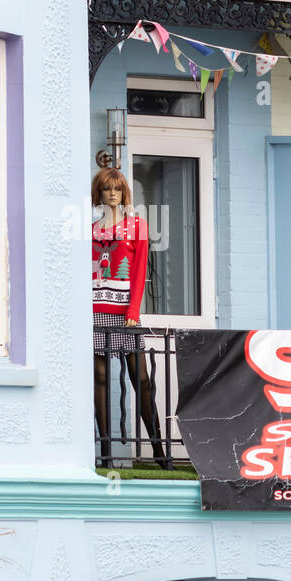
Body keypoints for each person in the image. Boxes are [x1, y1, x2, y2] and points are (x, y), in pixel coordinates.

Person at [91, 167, 165, 465]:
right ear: (100, 192)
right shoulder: (91, 229)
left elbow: (139, 271)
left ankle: (159, 450)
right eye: (107, 188)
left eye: (117, 189)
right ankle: (107, 452)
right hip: (96, 310)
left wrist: (133, 309)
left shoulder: (137, 226)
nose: (112, 193)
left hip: (125, 314)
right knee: (99, 379)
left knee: (142, 380)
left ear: (124, 193)